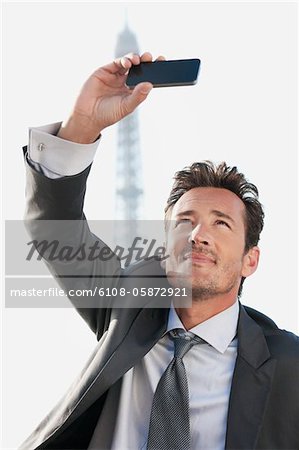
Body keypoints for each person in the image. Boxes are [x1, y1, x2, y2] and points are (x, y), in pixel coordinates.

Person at [20, 52, 299, 450]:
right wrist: (82, 123)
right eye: (184, 222)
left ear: (250, 260)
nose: (198, 234)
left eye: (221, 223)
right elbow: (54, 225)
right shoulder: (124, 307)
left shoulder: (288, 364)